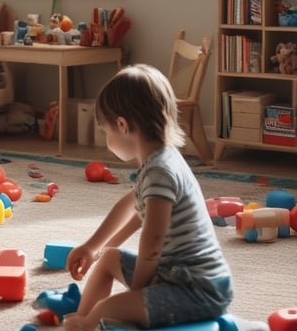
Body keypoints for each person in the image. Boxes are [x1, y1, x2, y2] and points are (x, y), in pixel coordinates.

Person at [63, 64, 233, 330]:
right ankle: (83, 317)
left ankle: (85, 324)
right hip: (173, 275)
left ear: (122, 125)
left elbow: (152, 243)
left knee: (105, 309)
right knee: (109, 258)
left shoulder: (160, 172)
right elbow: (132, 206)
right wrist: (92, 248)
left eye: (106, 131)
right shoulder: (157, 161)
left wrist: (138, 292)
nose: (107, 139)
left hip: (199, 290)